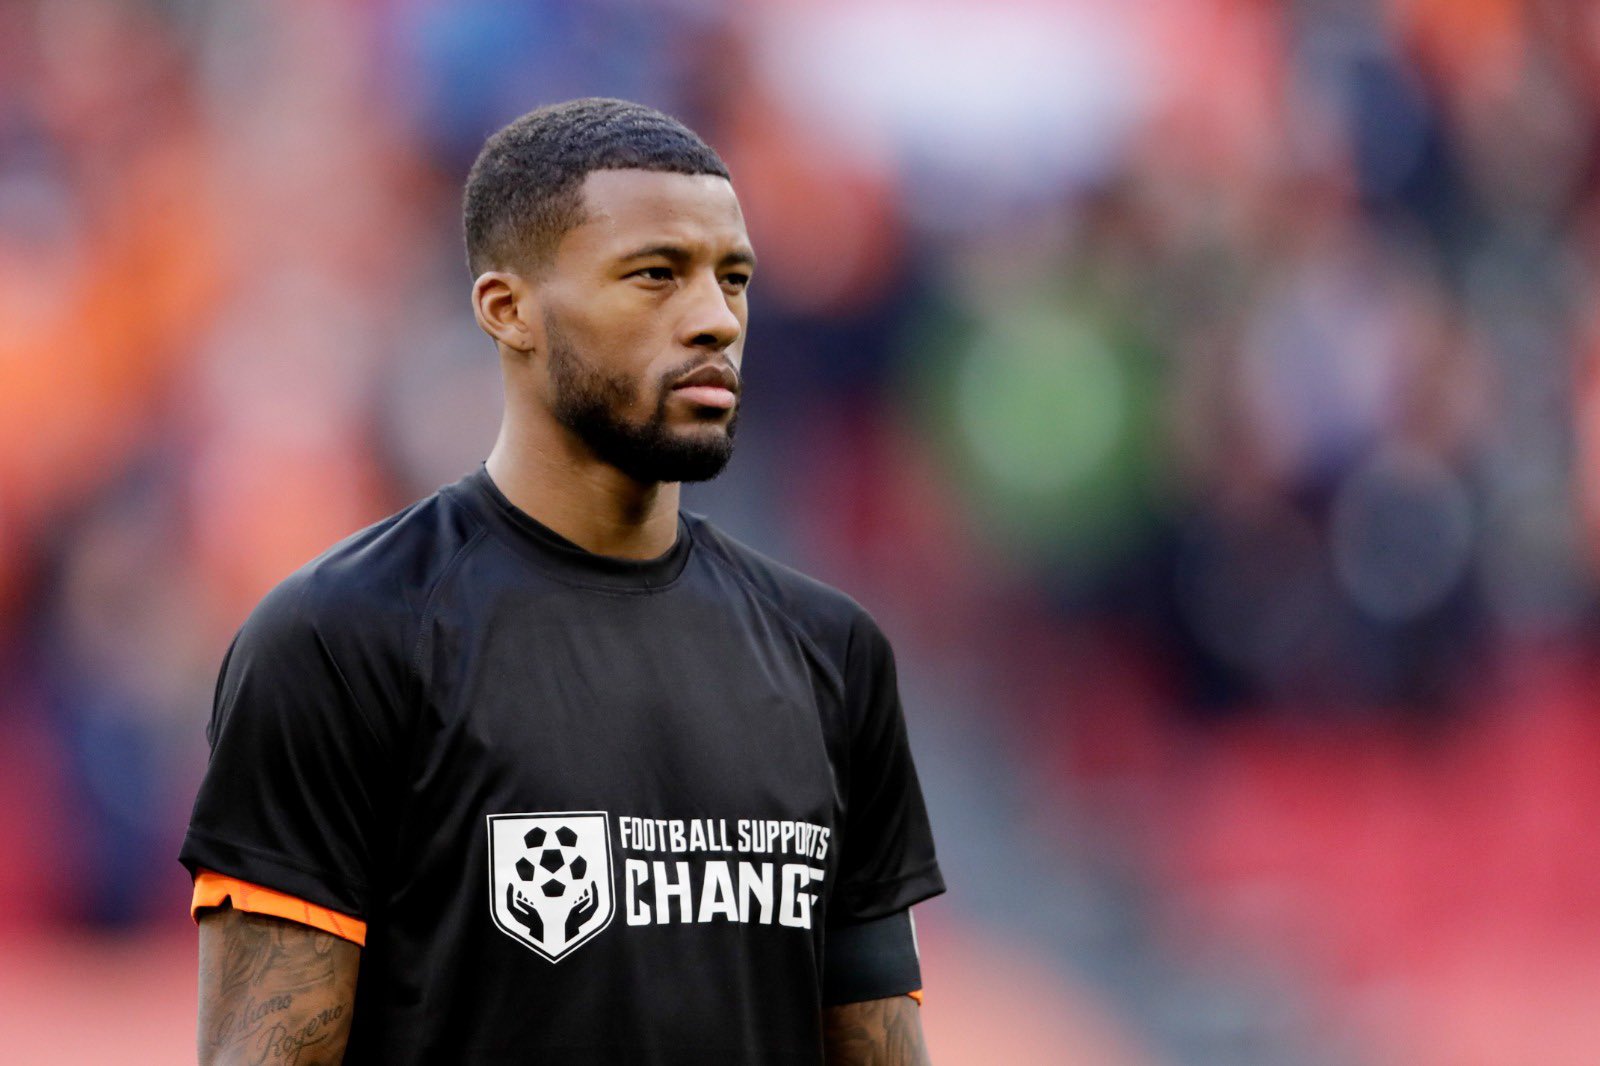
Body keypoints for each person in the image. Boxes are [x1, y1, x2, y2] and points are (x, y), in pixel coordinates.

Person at [181, 98, 944, 1065]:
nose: (715, 320)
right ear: (509, 311)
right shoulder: (342, 638)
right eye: (656, 274)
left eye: (734, 279)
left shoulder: (831, 654)